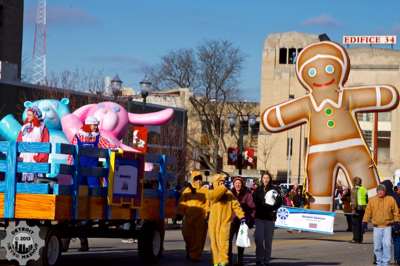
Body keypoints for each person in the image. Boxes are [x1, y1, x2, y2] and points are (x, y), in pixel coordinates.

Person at [208, 174, 245, 266]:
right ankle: (216, 261)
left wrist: (242, 216)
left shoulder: (229, 193)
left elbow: (236, 205)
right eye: (219, 182)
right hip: (213, 223)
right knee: (214, 243)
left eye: (223, 182)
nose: (222, 184)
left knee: (224, 242)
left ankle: (223, 261)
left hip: (225, 222)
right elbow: (213, 197)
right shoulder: (211, 192)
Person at [69, 116, 117, 188]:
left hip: (92, 169)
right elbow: (71, 151)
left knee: (94, 187)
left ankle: (95, 198)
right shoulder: (78, 136)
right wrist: (69, 165)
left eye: (96, 125)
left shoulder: (97, 137)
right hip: (79, 167)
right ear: (88, 125)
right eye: (94, 125)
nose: (95, 127)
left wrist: (116, 148)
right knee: (78, 187)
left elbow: (107, 145)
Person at [176, 171, 209, 262]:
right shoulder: (187, 190)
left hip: (200, 218)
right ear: (193, 179)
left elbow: (208, 203)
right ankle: (190, 249)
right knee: (187, 235)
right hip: (188, 217)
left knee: (198, 238)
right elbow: (182, 202)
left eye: (200, 179)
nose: (198, 181)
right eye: (196, 178)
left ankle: (195, 256)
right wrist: (180, 213)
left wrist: (207, 214)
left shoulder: (205, 191)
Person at [363, 184, 399, 266]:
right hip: (377, 227)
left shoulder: (390, 199)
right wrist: (364, 222)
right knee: (377, 246)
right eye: (379, 190)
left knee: (387, 245)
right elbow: (367, 212)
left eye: (382, 190)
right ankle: (379, 262)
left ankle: (385, 263)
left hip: (387, 227)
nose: (380, 192)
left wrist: (397, 222)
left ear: (385, 191)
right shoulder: (372, 200)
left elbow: (396, 212)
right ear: (377, 191)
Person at [253, 171, 283, 266]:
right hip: (259, 218)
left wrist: (271, 208)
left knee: (268, 241)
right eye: (264, 178)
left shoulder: (275, 189)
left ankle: (266, 260)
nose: (265, 179)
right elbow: (253, 202)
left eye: (267, 178)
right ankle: (259, 258)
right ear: (261, 179)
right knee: (259, 239)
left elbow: (279, 202)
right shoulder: (258, 190)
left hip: (270, 218)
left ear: (270, 179)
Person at [17, 106, 49, 183]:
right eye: (27, 114)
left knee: (35, 180)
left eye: (30, 115)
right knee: (24, 180)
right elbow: (19, 141)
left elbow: (45, 144)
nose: (27, 116)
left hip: (36, 157)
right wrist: (18, 156)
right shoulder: (24, 128)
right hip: (25, 158)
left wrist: (40, 158)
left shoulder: (42, 128)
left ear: (35, 115)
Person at [228, 176, 255, 266]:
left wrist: (250, 219)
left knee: (241, 241)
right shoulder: (229, 193)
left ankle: (240, 260)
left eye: (239, 183)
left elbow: (252, 208)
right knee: (228, 241)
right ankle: (229, 259)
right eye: (236, 183)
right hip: (231, 221)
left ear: (242, 184)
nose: (238, 185)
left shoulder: (247, 194)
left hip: (242, 221)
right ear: (234, 184)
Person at [350, 176, 368, 243]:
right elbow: (366, 199)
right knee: (361, 224)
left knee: (355, 224)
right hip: (363, 208)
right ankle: (360, 239)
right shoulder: (364, 189)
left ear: (354, 182)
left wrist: (353, 209)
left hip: (357, 208)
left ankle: (355, 239)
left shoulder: (354, 189)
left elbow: (354, 200)